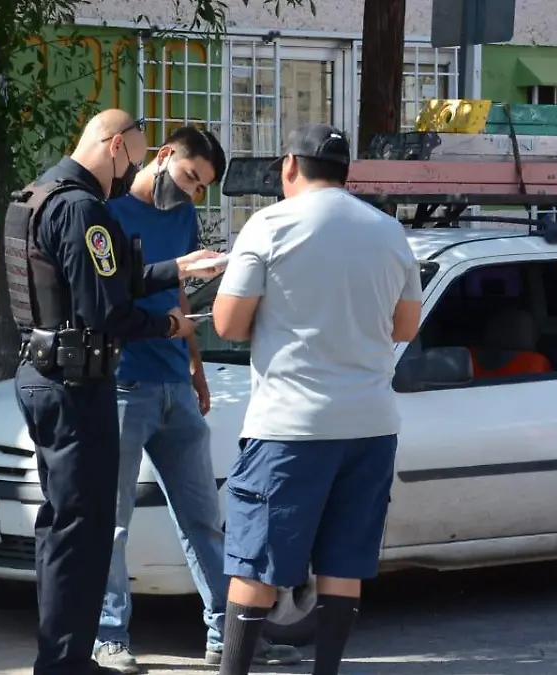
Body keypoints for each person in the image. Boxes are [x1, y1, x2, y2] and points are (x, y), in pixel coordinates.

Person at [4, 108, 227, 675]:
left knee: (67, 525)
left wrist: (175, 268)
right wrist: (166, 327)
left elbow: (105, 281)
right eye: (135, 150)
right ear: (119, 146)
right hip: (79, 384)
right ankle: (69, 660)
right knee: (86, 529)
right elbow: (108, 309)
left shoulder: (35, 196)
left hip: (45, 373)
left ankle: (66, 657)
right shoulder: (86, 210)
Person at [209, 123, 423, 675]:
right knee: (342, 560)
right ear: (345, 173)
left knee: (254, 563)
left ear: (289, 167)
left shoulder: (269, 225)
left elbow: (228, 324)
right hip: (371, 425)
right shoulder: (388, 231)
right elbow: (405, 327)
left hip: (290, 426)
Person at [92, 126, 302, 673]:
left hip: (173, 386)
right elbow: (107, 296)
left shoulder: (180, 216)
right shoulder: (106, 212)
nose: (190, 192)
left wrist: (196, 370)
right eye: (188, 177)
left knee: (204, 518)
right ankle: (108, 635)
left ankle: (226, 637)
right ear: (163, 157)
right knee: (112, 522)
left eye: (201, 186)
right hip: (121, 386)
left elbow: (180, 293)